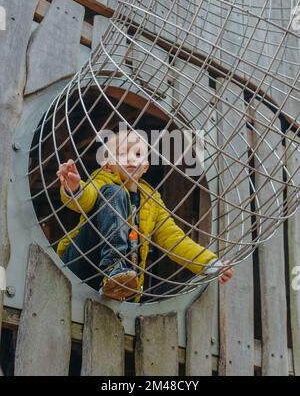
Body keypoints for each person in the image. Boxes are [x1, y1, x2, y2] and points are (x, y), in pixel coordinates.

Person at [56, 129, 233, 301]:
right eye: (122, 153)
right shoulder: (102, 182)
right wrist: (74, 188)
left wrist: (210, 264)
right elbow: (85, 199)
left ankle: (119, 280)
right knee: (114, 193)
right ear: (107, 164)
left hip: (117, 285)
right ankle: (113, 265)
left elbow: (174, 239)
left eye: (138, 154)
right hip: (81, 264)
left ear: (146, 166)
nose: (131, 158)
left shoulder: (151, 201)